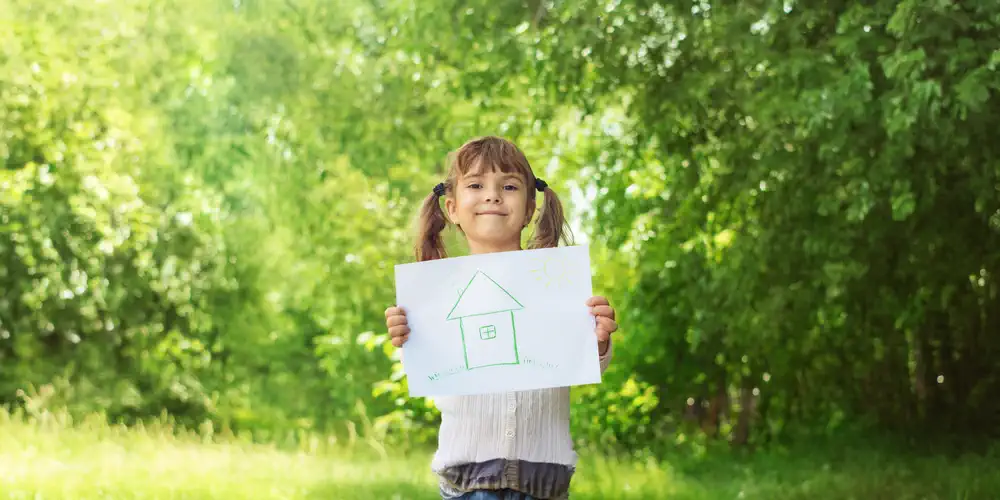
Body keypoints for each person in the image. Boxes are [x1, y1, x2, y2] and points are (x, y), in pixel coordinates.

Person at [384, 136, 618, 500]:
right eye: (476, 185)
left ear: (528, 209)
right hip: (467, 481)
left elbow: (584, 365)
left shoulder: (556, 287)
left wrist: (598, 341)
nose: (492, 195)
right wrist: (407, 338)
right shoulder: (434, 293)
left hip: (544, 482)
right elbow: (437, 371)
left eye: (508, 186)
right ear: (452, 208)